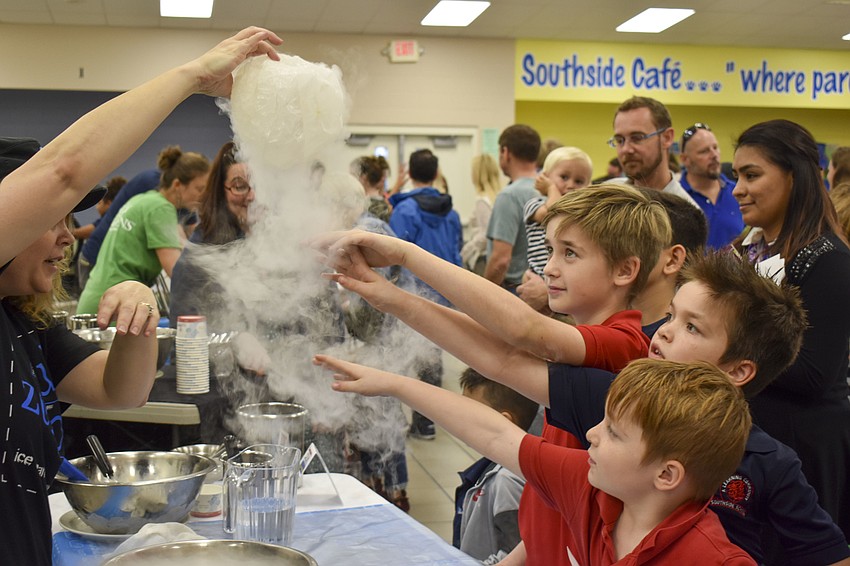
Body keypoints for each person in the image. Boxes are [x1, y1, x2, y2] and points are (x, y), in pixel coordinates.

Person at [0, 28, 283, 566]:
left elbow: (120, 390)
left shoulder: (25, 325)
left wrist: (138, 314)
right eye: (52, 219)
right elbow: (64, 168)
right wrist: (190, 78)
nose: (67, 236)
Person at [312, 184, 670, 565]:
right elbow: (498, 354)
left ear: (625, 270)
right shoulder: (586, 342)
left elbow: (520, 335)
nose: (549, 267)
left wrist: (406, 254)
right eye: (550, 250)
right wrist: (390, 297)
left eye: (570, 253)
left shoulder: (626, 343)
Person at [317, 354, 755, 565]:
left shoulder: (714, 560)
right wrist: (395, 385)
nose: (590, 435)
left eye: (614, 433)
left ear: (666, 474)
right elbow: (494, 433)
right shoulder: (588, 484)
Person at [731, 119, 850, 544]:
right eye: (736, 176)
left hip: (805, 453)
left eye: (751, 175)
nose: (737, 189)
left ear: (795, 177)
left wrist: (725, 355)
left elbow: (815, 374)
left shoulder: (829, 259)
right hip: (756, 444)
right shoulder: (746, 250)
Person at [76, 146, 210, 314]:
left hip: (100, 297)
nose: (203, 196)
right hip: (114, 306)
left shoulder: (144, 200)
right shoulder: (161, 209)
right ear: (177, 185)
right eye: (199, 189)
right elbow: (178, 273)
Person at [388, 148, 462, 439]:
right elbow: (455, 251)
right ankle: (428, 421)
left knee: (405, 356)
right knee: (432, 357)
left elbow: (392, 255)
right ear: (435, 173)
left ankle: (413, 422)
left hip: (412, 295)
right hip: (444, 294)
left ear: (411, 174)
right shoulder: (452, 212)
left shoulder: (404, 211)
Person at [453, 367, 538, 564]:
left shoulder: (507, 480)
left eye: (468, 412)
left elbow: (515, 555)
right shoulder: (488, 468)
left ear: (503, 420)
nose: (458, 418)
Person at [519, 147, 592, 313]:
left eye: (579, 181)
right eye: (564, 177)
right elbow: (553, 213)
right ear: (545, 178)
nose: (571, 185)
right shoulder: (535, 204)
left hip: (568, 283)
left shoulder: (584, 214)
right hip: (539, 274)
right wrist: (551, 188)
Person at [633, 189, 708, 335]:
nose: (615, 248)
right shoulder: (603, 317)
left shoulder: (676, 345)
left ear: (672, 260)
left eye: (634, 238)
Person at [608, 96, 699, 207]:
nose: (626, 149)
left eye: (637, 138)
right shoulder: (607, 198)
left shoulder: (687, 213)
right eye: (619, 140)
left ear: (667, 138)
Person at [483, 125, 541, 290]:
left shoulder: (509, 196)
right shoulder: (549, 190)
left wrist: (485, 292)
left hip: (515, 290)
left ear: (505, 153)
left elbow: (501, 260)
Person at [678, 123, 744, 249]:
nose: (714, 155)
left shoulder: (738, 193)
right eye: (704, 151)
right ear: (685, 159)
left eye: (715, 147)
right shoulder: (676, 198)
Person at [460, 154, 501, 275]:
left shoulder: (482, 201)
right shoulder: (499, 198)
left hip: (483, 260)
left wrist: (464, 253)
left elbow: (484, 234)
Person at [351, 155, 391, 223]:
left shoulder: (372, 206)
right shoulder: (380, 203)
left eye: (354, 175)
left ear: (363, 177)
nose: (351, 179)